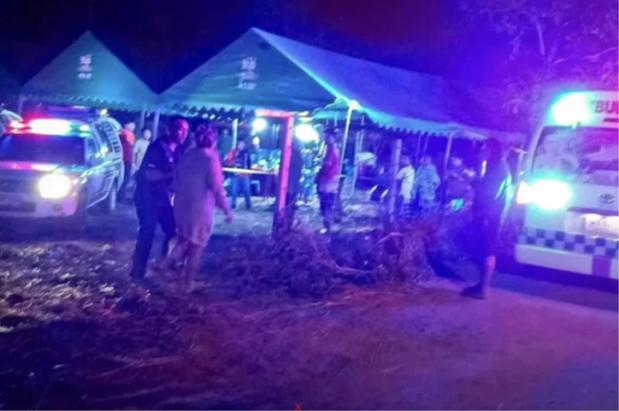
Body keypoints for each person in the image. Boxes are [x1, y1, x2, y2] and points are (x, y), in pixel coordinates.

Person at [163, 123, 233, 291]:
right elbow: (217, 188)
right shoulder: (210, 158)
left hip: (181, 204)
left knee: (185, 238)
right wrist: (227, 210)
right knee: (197, 245)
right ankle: (186, 281)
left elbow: (175, 180)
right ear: (214, 140)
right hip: (199, 208)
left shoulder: (187, 155)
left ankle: (174, 270)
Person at [130, 117, 189, 280]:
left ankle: (162, 264)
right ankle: (137, 271)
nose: (183, 133)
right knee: (148, 231)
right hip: (147, 196)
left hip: (162, 197)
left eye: (186, 130)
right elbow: (150, 175)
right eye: (180, 129)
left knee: (172, 230)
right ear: (170, 129)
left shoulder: (178, 150)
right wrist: (173, 174)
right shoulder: (157, 148)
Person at [463, 138, 512, 299]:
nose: (481, 153)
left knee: (487, 250)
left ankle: (483, 288)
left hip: (489, 215)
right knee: (485, 249)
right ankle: (481, 286)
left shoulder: (498, 168)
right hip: (490, 214)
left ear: (491, 150)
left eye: (484, 149)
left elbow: (489, 193)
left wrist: (475, 187)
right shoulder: (497, 166)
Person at [315, 129, 340, 233]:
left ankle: (327, 226)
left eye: (327, 136)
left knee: (325, 203)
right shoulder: (333, 148)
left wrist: (319, 172)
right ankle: (327, 226)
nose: (325, 138)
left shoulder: (331, 149)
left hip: (328, 178)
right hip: (331, 178)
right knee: (328, 202)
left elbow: (327, 163)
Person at [226, 140, 252, 210]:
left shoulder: (246, 153)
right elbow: (228, 162)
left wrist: (249, 173)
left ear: (244, 145)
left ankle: (248, 204)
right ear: (237, 144)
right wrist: (234, 161)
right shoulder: (233, 152)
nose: (241, 145)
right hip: (235, 174)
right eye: (240, 144)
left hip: (245, 174)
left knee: (247, 190)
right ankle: (233, 204)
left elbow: (249, 163)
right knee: (234, 190)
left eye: (242, 144)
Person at [119, 122, 137, 201]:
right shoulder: (123, 135)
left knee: (125, 179)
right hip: (124, 161)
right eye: (131, 124)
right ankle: (120, 196)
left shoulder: (128, 137)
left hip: (127, 161)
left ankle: (121, 196)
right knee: (124, 179)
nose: (133, 126)